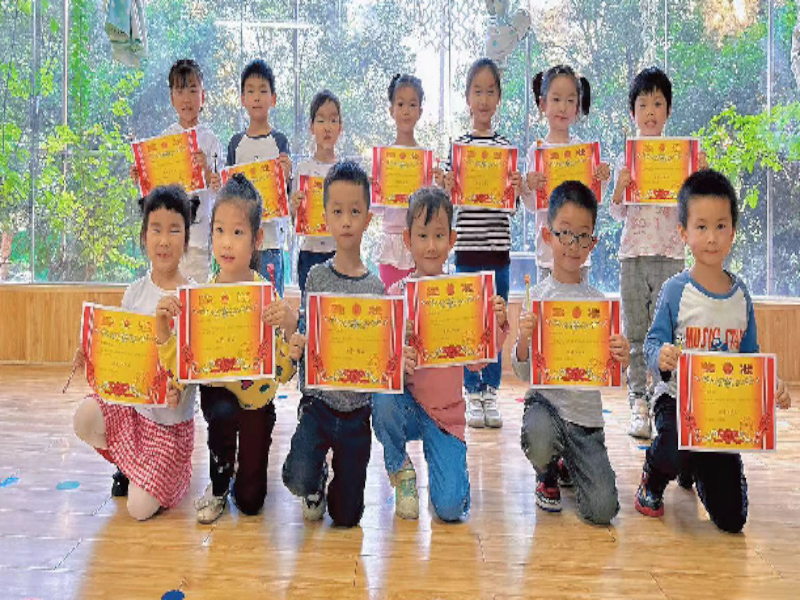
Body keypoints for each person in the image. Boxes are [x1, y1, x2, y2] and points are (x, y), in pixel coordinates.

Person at [635, 169, 792, 533]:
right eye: (701, 227)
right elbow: (652, 344)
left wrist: (771, 385)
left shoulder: (741, 295)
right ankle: (653, 477)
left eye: (721, 226)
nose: (711, 237)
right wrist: (661, 356)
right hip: (675, 399)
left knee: (732, 520)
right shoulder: (675, 290)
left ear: (733, 232)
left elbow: (750, 357)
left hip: (720, 414)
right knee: (673, 445)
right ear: (683, 233)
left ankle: (693, 465)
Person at [282, 160, 415, 527]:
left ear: (368, 220)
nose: (346, 221)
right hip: (319, 404)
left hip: (357, 412)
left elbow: (381, 357)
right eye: (337, 211)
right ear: (325, 217)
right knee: (296, 477)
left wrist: (397, 356)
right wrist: (297, 345)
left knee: (347, 517)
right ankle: (314, 481)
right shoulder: (316, 276)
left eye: (355, 212)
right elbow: (307, 335)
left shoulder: (376, 289)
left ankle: (336, 483)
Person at [372, 187, 509, 521]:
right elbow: (380, 365)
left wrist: (496, 323)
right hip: (406, 407)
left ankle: (452, 478)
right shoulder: (396, 295)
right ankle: (400, 469)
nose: (431, 246)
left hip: (445, 416)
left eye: (438, 236)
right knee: (381, 398)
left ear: (452, 240)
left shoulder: (465, 296)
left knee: (450, 509)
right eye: (422, 236)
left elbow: (477, 362)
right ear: (407, 239)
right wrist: (396, 353)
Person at [72, 185, 200, 520]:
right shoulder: (134, 292)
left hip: (170, 427)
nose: (164, 240)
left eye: (174, 230)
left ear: (186, 240)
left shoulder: (194, 298)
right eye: (156, 229)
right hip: (133, 414)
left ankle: (170, 473)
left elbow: (194, 368)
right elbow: (120, 358)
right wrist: (92, 355)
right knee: (84, 418)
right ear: (144, 237)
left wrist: (180, 388)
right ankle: (130, 466)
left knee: (139, 509)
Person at [513, 181, 629, 524]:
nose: (573, 245)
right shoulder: (537, 298)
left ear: (593, 243)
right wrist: (524, 339)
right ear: (547, 236)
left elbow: (613, 374)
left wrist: (621, 358)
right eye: (565, 233)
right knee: (540, 436)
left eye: (582, 236)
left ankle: (569, 464)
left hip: (586, 421)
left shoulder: (599, 304)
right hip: (546, 410)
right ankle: (547, 473)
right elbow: (522, 372)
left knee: (603, 511)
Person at [227, 59, 292, 296]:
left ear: (273, 99)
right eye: (251, 91)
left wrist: (287, 176)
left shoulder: (280, 141)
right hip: (241, 243)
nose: (257, 97)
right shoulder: (236, 143)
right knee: (242, 303)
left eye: (263, 91)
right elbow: (229, 192)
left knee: (272, 305)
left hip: (271, 242)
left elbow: (286, 194)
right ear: (243, 99)